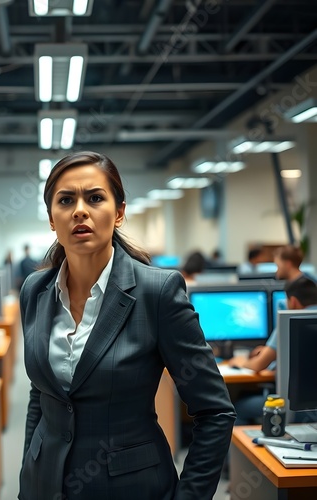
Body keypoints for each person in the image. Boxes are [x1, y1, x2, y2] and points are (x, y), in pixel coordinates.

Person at [19, 151, 235, 500]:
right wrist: (29, 471)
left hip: (130, 487)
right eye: (65, 200)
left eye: (94, 198)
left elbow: (215, 412)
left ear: (119, 212)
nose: (79, 210)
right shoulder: (35, 291)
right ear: (51, 218)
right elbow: (41, 394)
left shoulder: (157, 292)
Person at [228, 275, 317, 424]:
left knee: (236, 408)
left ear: (293, 301)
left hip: (293, 408)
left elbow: (258, 365)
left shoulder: (291, 321)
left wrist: (241, 361)